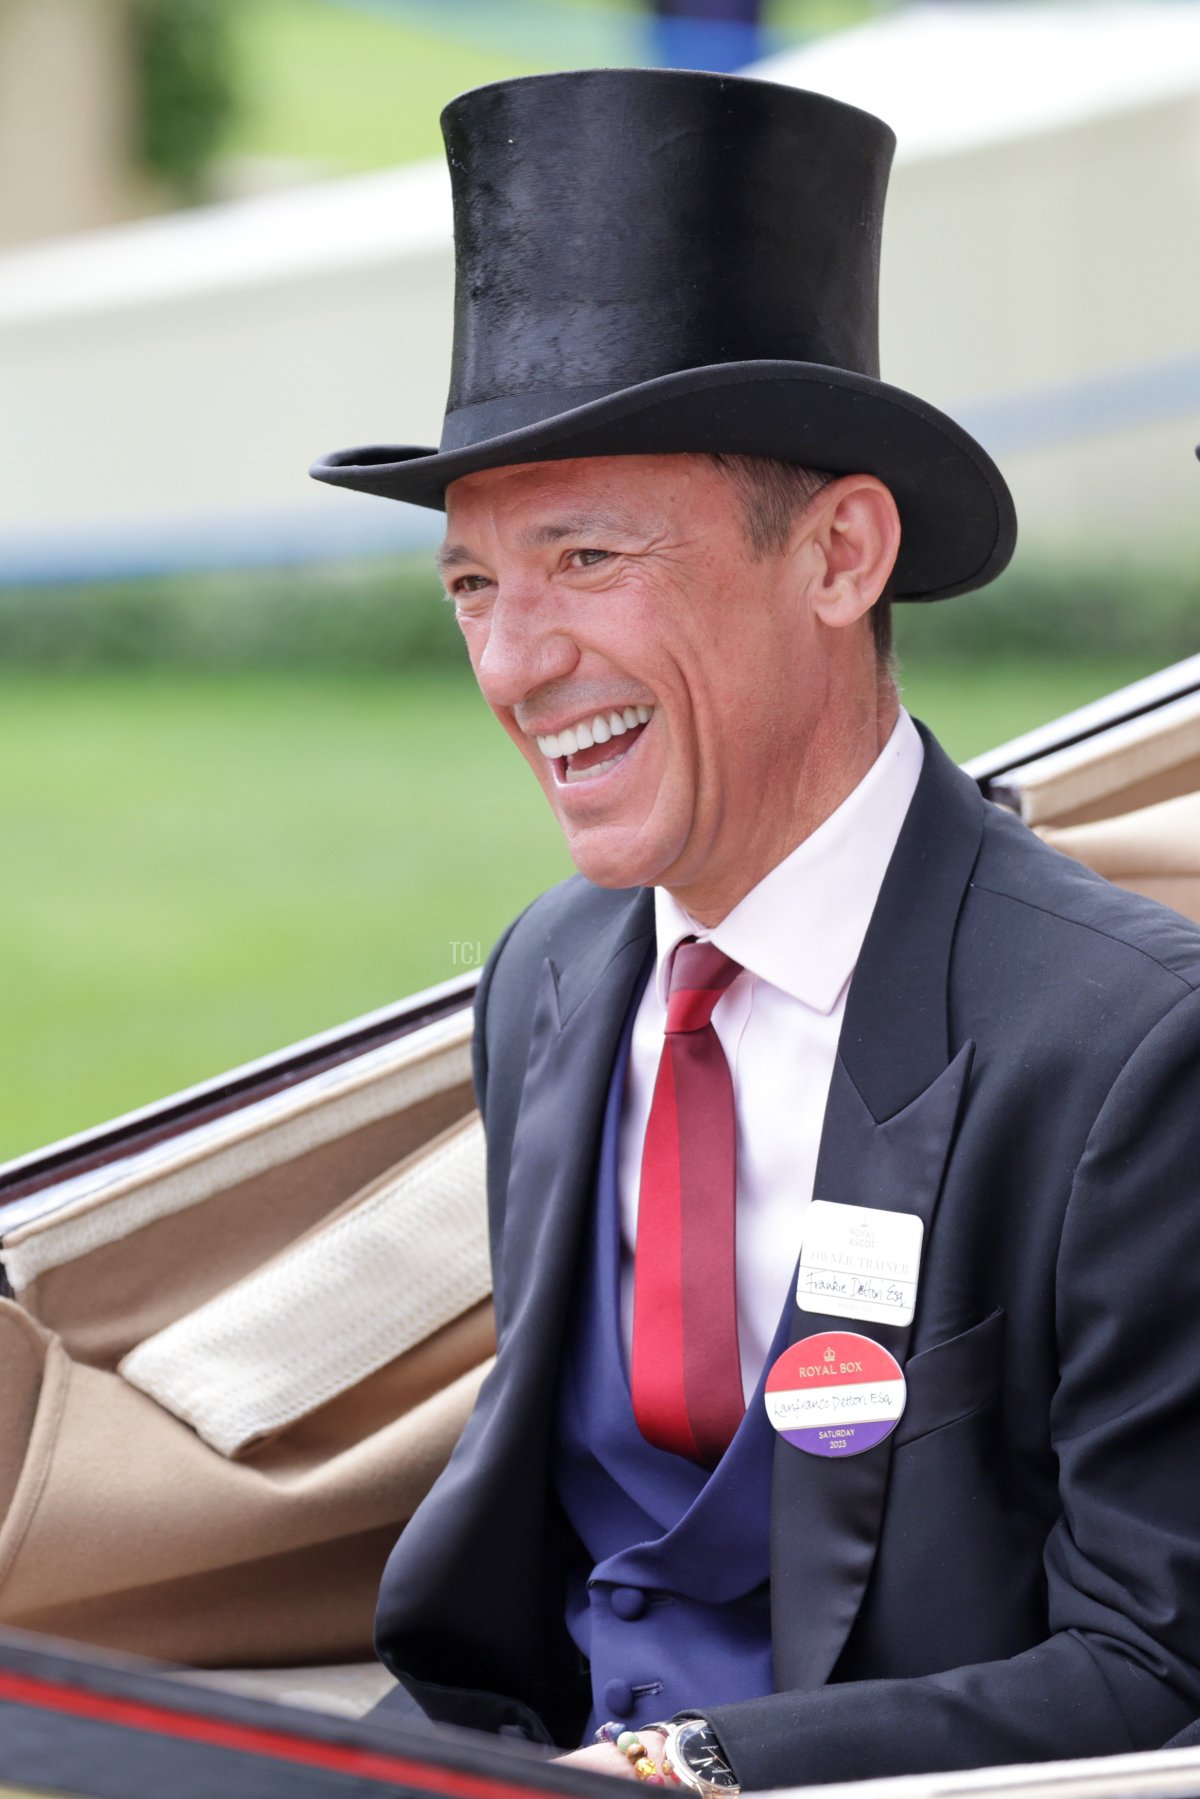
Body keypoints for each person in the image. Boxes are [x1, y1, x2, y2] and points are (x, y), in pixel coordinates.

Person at [311, 68, 1200, 1794]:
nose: (511, 666)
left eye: (585, 559)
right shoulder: (549, 977)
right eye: (474, 586)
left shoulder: (1135, 1049)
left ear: (841, 555)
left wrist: (697, 1769)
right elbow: (554, 1572)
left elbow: (1155, 1667)